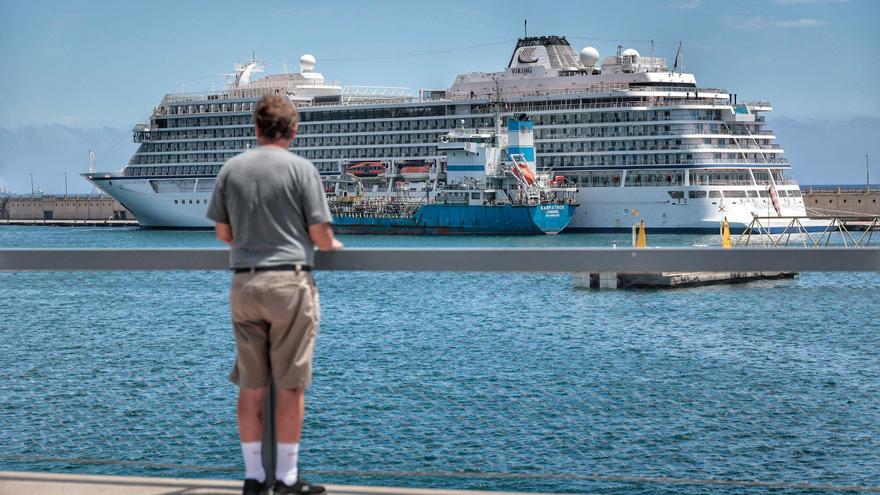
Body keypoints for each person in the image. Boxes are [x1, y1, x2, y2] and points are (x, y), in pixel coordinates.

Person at [207, 95, 342, 495]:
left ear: (256, 128)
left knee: (251, 385)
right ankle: (285, 479)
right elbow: (320, 235)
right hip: (289, 285)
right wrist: (332, 246)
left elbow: (223, 234)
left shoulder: (232, 169)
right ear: (294, 130)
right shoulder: (302, 170)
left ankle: (253, 479)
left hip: (245, 284)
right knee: (290, 385)